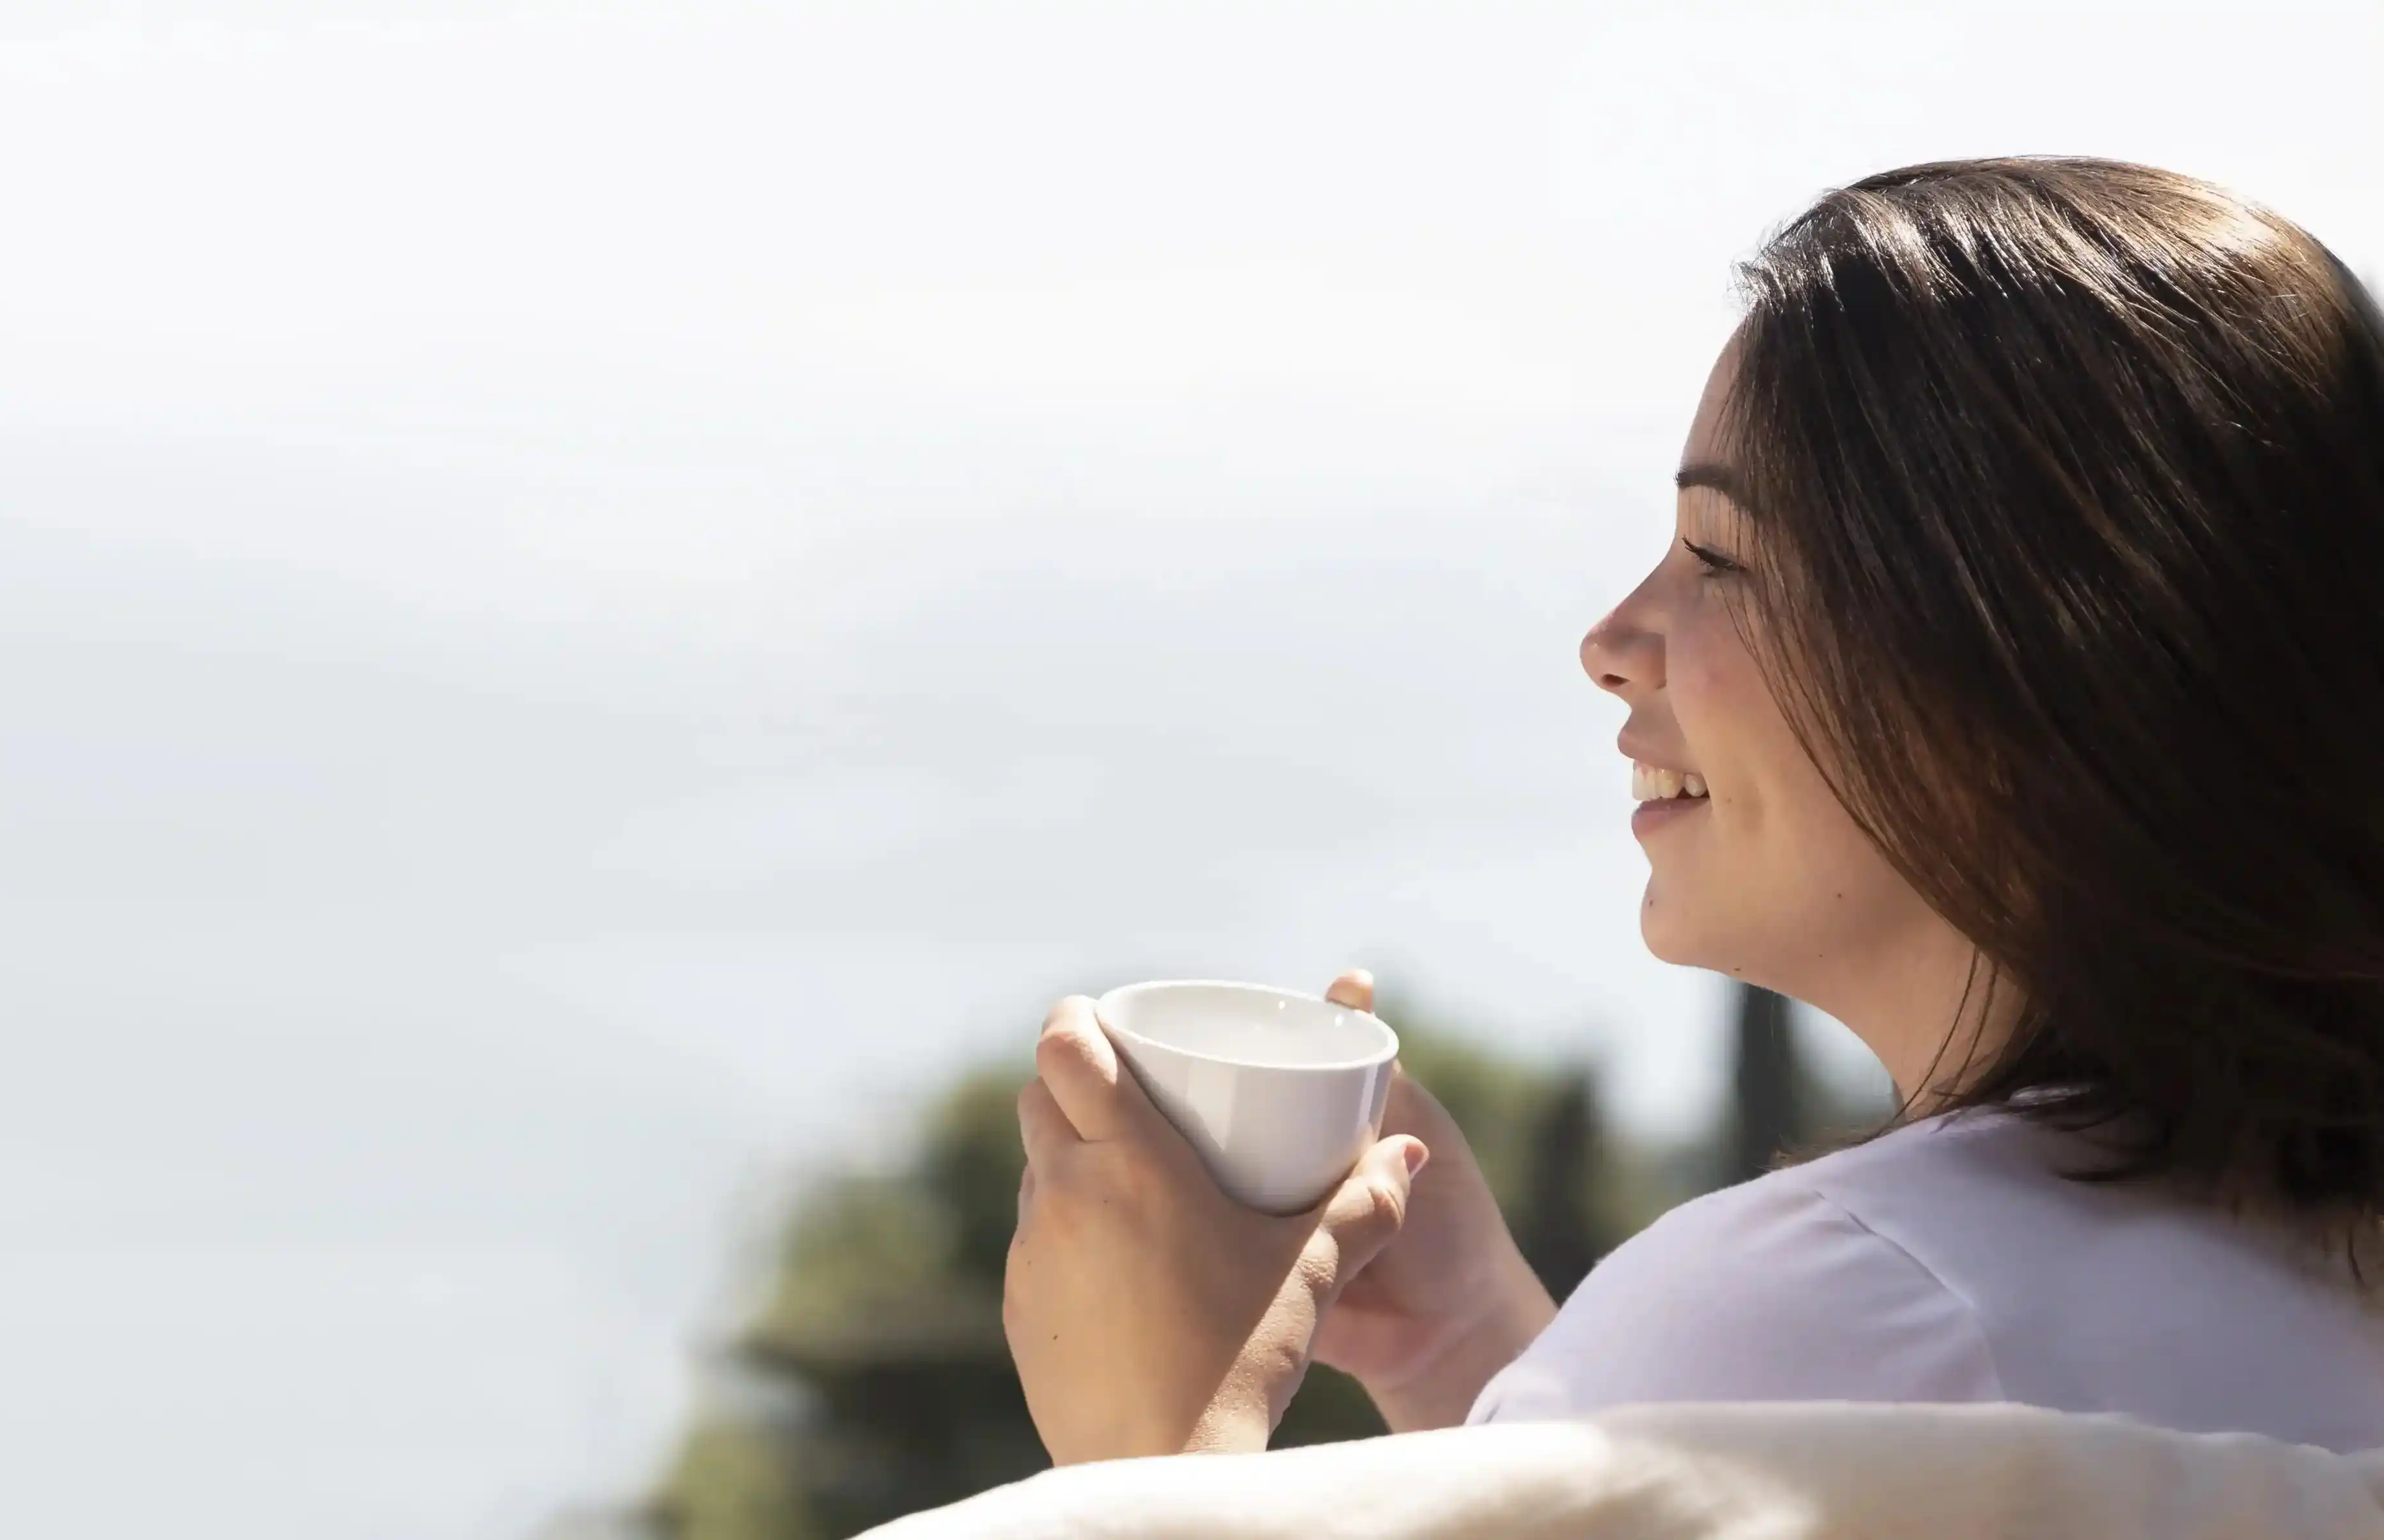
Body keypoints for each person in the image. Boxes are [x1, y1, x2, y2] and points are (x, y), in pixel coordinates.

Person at [1000, 157, 2384, 1468]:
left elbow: (1874, 1364)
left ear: (2034, 663)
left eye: (1718, 554)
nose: (1611, 637)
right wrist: (1473, 1344)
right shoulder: (2297, 1277)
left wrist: (1155, 1447)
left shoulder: (1857, 1301)